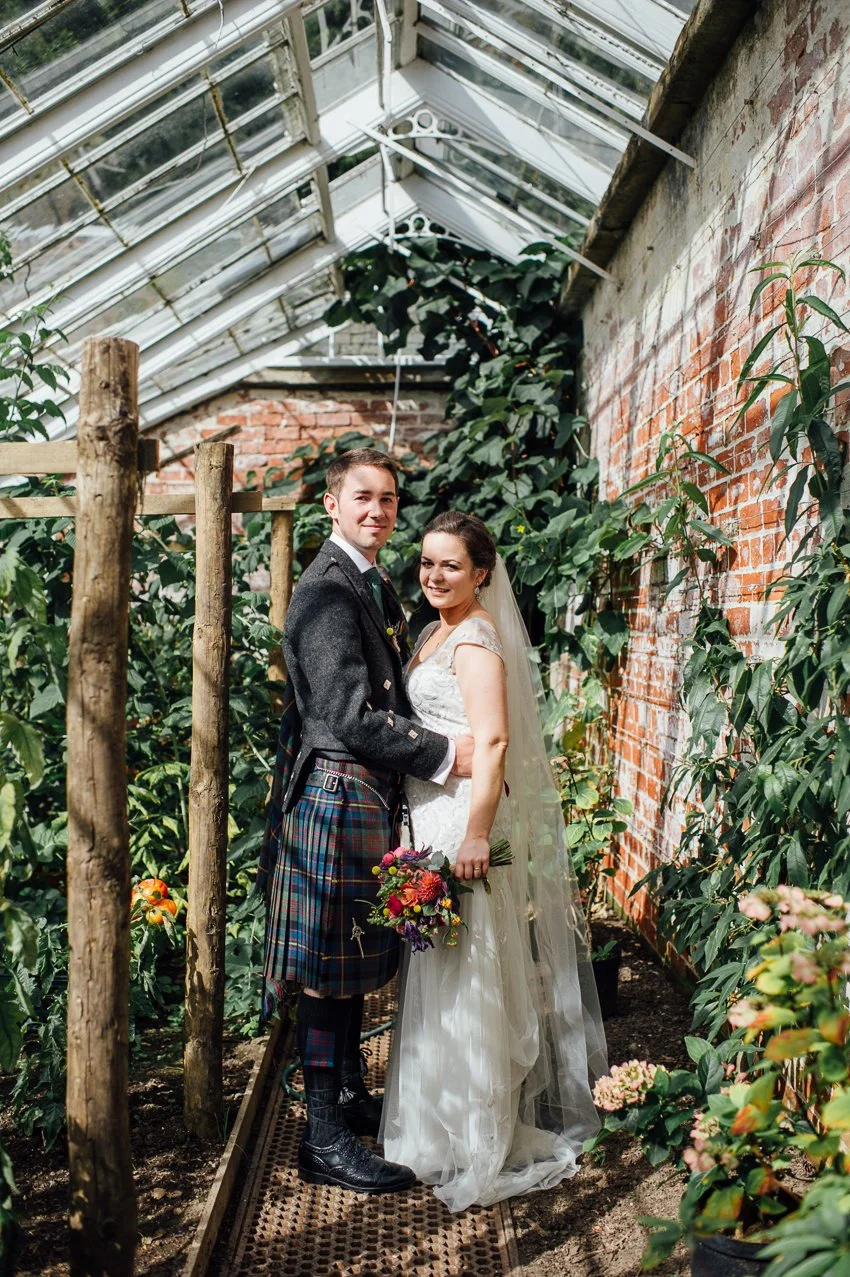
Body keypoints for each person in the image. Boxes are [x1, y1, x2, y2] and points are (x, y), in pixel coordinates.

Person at [258, 449, 474, 1196]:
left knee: (350, 966)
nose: (378, 510)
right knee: (326, 972)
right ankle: (320, 1138)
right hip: (336, 793)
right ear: (331, 503)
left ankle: (346, 1099)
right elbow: (349, 714)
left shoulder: (368, 579)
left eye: (388, 499)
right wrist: (446, 751)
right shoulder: (325, 591)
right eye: (363, 497)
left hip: (362, 794)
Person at [381, 511, 608, 1212]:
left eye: (451, 565)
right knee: (438, 970)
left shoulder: (477, 639)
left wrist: (476, 832)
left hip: (462, 823)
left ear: (483, 572)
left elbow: (497, 741)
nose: (434, 575)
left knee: (468, 970)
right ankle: (437, 1125)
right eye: (426, 562)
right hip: (427, 817)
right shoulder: (430, 633)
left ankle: (479, 1133)